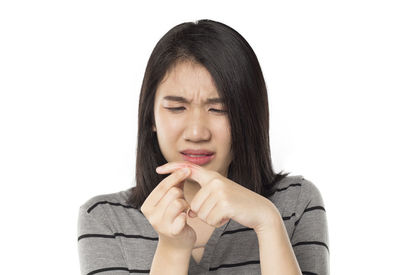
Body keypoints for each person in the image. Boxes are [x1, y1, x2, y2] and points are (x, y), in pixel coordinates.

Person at [77, 19, 329, 275]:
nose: (197, 132)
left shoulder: (296, 202)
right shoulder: (105, 218)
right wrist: (173, 250)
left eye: (219, 109)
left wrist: (267, 222)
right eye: (176, 108)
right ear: (150, 118)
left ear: (248, 116)